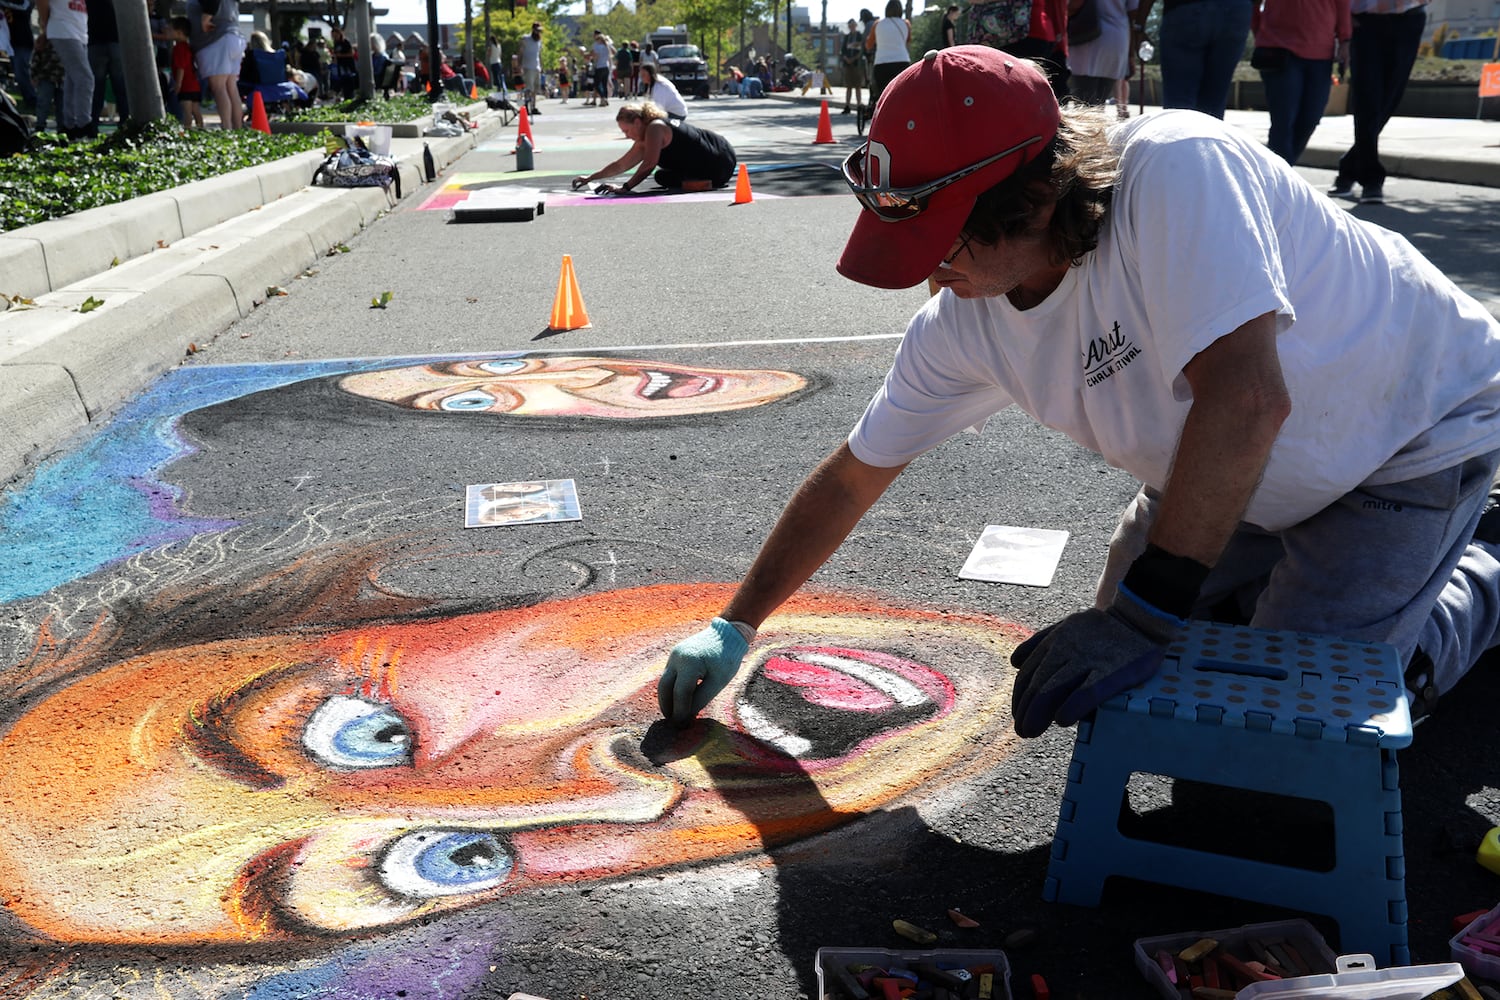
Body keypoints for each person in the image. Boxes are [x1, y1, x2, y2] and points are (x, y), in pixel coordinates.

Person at [654, 46, 1500, 750]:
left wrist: (1146, 618)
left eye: (939, 236)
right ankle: (1294, 592)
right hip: (1241, 472)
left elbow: (1244, 401)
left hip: (1405, 441)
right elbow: (853, 477)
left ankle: (1478, 584)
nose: (925, 271)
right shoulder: (965, 320)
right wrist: (738, 623)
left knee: (1289, 743)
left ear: (1035, 197)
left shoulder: (1177, 167)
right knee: (1133, 697)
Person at [1329, 0, 1430, 205]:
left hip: (1409, 15)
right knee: (1367, 98)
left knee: (1390, 98)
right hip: (1364, 21)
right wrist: (1342, 19)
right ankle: (1371, 178)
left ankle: (1349, 167)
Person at [1251, 0, 1351, 166]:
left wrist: (1345, 40)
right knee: (1284, 119)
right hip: (1279, 49)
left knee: (1311, 117)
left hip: (1321, 53)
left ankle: (1280, 172)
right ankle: (1279, 179)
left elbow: (1342, 4)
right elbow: (1253, 4)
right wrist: (1259, 31)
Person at [570, 100, 736, 194]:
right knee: (662, 177)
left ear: (637, 122)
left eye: (626, 130)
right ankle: (696, 179)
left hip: (719, 161)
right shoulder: (645, 136)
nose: (626, 136)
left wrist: (625, 188)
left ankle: (702, 181)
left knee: (662, 176)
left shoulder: (655, 128)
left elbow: (648, 164)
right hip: (722, 155)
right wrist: (590, 178)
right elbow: (621, 164)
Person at [1137, 0, 1253, 118]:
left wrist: (1139, 26)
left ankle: (1179, 133)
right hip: (1236, 9)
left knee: (1179, 103)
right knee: (1214, 103)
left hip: (1186, 8)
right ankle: (1209, 133)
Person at [1068, 0, 1138, 106]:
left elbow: (1073, 6)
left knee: (1083, 107)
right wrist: (1131, 55)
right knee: (1099, 104)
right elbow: (1134, 14)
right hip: (1117, 40)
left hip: (1085, 37)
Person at [188, 0, 243, 129]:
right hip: (233, 36)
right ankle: (238, 129)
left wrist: (206, 18)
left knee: (219, 87)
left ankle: (227, 128)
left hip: (215, 40)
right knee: (231, 87)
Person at [864, 0, 910, 109]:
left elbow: (868, 45)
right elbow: (908, 40)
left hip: (882, 63)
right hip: (902, 62)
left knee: (882, 95)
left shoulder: (877, 24)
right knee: (902, 95)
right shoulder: (906, 23)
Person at [85, 0, 124, 125]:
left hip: (96, 41)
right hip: (115, 40)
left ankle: (93, 121)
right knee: (119, 84)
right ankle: (125, 119)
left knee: (97, 86)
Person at [168, 15, 202, 127]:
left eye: (171, 29)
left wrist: (178, 83)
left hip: (185, 86)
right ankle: (201, 129)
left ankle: (187, 132)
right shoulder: (188, 47)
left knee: (187, 111)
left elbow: (180, 67)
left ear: (179, 32)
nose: (169, 32)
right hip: (195, 85)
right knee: (196, 110)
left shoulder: (179, 48)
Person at [838, 17, 866, 113]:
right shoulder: (846, 37)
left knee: (858, 86)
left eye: (853, 25)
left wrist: (854, 58)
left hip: (857, 64)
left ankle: (859, 105)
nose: (852, 27)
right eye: (850, 26)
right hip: (847, 64)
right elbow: (842, 51)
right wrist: (846, 59)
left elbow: (862, 50)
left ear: (856, 26)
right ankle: (847, 106)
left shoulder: (859, 36)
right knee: (849, 86)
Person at [519, 21, 542, 113]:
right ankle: (526, 106)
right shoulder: (526, 39)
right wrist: (519, 64)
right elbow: (520, 52)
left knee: (535, 89)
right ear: (533, 30)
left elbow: (539, 54)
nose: (538, 32)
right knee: (529, 88)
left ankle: (533, 107)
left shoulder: (539, 41)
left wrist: (541, 66)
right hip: (528, 67)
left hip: (536, 67)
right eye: (537, 30)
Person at [590, 30, 611, 106]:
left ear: (599, 40)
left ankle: (603, 97)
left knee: (597, 84)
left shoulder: (598, 47)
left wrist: (594, 61)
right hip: (606, 66)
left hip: (599, 66)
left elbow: (596, 57)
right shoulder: (607, 46)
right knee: (604, 84)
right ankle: (605, 99)